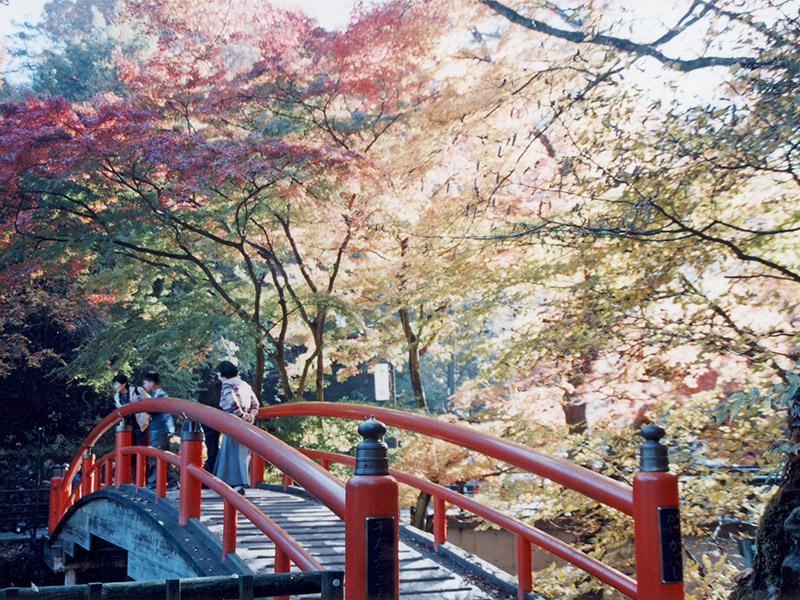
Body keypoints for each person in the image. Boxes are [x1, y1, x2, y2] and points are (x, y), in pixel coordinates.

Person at [213, 361, 259, 495]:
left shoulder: (227, 384)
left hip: (232, 421)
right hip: (246, 424)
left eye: (218, 374)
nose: (218, 377)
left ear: (222, 373)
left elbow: (232, 400)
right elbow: (255, 403)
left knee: (231, 453)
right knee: (242, 454)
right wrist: (251, 415)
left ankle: (236, 485)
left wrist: (241, 414)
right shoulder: (245, 384)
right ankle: (239, 483)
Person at [141, 372, 178, 489]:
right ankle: (172, 481)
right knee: (162, 456)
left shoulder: (160, 396)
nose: (144, 386)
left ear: (152, 383)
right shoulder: (158, 395)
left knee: (155, 455)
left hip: (160, 429)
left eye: (145, 383)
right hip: (161, 429)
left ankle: (153, 482)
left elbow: (151, 410)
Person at [112, 374, 150, 447]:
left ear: (123, 383)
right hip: (128, 426)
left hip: (141, 425)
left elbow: (150, 402)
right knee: (130, 452)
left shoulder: (138, 390)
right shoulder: (116, 398)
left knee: (142, 451)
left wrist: (139, 401)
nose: (114, 386)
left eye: (116, 383)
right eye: (113, 384)